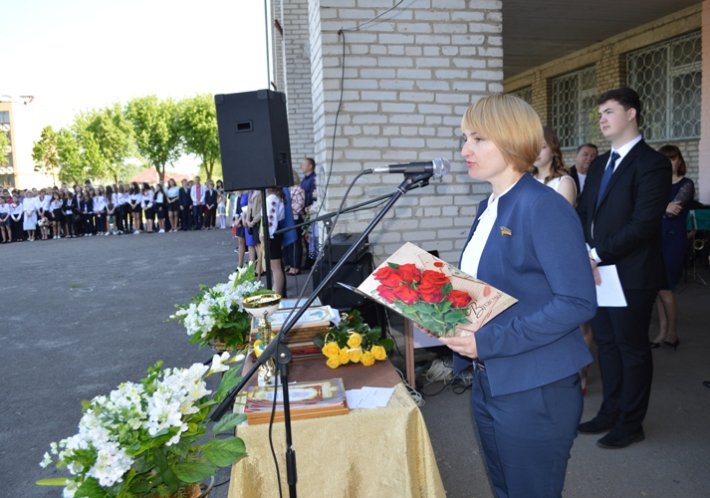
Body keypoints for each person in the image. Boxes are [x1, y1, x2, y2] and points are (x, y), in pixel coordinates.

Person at [439, 94, 596, 497]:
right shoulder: (489, 206)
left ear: (511, 139)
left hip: (535, 387)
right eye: (464, 138)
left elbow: (577, 302)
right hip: (491, 377)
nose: (465, 150)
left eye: (477, 138)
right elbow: (492, 289)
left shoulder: (543, 207)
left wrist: (487, 341)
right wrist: (437, 311)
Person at [577, 87, 671, 449]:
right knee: (607, 344)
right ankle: (610, 411)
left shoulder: (653, 163)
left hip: (632, 272)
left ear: (631, 114)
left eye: (609, 112)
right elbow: (585, 212)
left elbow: (644, 223)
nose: (602, 119)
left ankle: (631, 423)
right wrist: (583, 251)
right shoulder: (600, 163)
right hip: (598, 270)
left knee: (631, 348)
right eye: (600, 113)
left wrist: (597, 253)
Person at [651, 145, 695, 349]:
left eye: (673, 158)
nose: (669, 163)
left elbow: (672, 211)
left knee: (666, 287)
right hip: (654, 240)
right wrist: (660, 208)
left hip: (673, 240)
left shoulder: (686, 184)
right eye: (665, 159)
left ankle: (672, 332)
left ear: (679, 161)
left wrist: (657, 208)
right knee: (658, 288)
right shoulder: (655, 184)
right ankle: (663, 332)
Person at [532, 126, 577, 205]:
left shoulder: (564, 183)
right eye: (533, 147)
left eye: (542, 147)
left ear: (553, 150)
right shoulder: (528, 179)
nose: (536, 151)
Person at [265, 187, 286, 296]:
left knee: (276, 267)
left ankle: (277, 294)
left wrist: (268, 234)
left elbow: (271, 219)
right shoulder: (275, 197)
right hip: (273, 234)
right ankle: (276, 291)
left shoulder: (272, 198)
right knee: (275, 267)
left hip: (272, 235)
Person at [300, 157, 318, 268]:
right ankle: (309, 259)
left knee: (312, 237)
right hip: (304, 212)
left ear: (310, 166)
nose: (302, 166)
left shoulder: (313, 179)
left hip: (311, 211)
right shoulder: (304, 179)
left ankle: (312, 259)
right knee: (307, 237)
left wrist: (309, 207)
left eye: (304, 164)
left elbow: (313, 195)